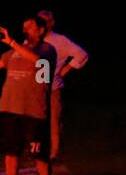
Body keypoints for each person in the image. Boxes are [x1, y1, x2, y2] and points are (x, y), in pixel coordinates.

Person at [0, 16, 57, 175]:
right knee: (11, 151)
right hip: (10, 107)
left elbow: (39, 63)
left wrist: (12, 42)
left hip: (33, 110)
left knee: (39, 153)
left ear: (41, 30)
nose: (24, 29)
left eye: (29, 27)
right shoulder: (16, 50)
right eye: (23, 26)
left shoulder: (47, 50)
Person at [38, 10, 89, 160]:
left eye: (45, 21)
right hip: (35, 88)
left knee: (54, 120)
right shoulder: (32, 40)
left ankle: (55, 152)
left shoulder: (59, 40)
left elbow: (81, 54)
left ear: (51, 23)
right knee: (36, 119)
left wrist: (67, 68)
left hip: (53, 87)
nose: (41, 25)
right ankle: (38, 149)